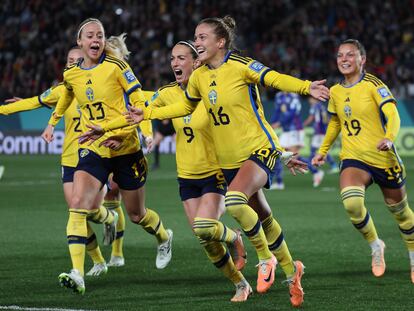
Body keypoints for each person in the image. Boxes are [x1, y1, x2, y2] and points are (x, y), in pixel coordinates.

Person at [85, 16, 330, 307]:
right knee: (261, 215)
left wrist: (305, 88)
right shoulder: (200, 79)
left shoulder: (242, 66)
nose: (198, 42)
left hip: (256, 151)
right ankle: (292, 271)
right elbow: (184, 105)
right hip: (227, 163)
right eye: (196, 38)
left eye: (201, 38)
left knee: (237, 201)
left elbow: (274, 78)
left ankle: (266, 259)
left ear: (220, 42)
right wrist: (139, 118)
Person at [44, 18, 173, 294]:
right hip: (94, 147)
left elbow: (138, 101)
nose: (96, 39)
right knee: (77, 205)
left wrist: (130, 133)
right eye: (90, 35)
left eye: (100, 35)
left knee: (137, 215)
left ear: (103, 41)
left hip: (126, 148)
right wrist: (53, 121)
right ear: (80, 42)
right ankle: (78, 273)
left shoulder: (117, 67)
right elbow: (67, 95)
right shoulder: (72, 75)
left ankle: (164, 237)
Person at [0, 47, 117, 277]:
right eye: (69, 61)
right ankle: (98, 261)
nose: (72, 64)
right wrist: (4, 109)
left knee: (92, 210)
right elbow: (34, 102)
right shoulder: (61, 90)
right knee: (76, 212)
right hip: (70, 159)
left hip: (94, 157)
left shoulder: (97, 88)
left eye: (77, 60)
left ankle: (109, 218)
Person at [147, 40, 250, 302]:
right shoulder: (168, 92)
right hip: (186, 175)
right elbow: (142, 104)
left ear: (196, 62)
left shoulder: (211, 90)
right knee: (203, 237)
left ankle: (235, 238)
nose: (175, 63)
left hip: (215, 172)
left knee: (205, 226)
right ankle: (240, 283)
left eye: (181, 58)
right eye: (172, 58)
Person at [312, 39, 414, 283]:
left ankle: (413, 255)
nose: (344, 59)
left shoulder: (374, 85)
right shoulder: (335, 92)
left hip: (383, 158)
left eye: (350, 55)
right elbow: (336, 122)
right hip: (353, 158)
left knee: (401, 214)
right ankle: (376, 245)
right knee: (352, 205)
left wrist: (389, 138)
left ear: (362, 60)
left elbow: (393, 114)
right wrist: (323, 150)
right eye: (340, 55)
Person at [270, 92, 324, 189]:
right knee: (278, 154)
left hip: (295, 129)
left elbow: (293, 113)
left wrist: (279, 123)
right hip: (286, 130)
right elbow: (277, 111)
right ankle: (279, 183)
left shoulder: (294, 97)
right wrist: (272, 123)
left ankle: (316, 172)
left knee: (294, 155)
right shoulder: (279, 96)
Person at [303, 97, 338, 175]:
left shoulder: (315, 106)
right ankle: (333, 166)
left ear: (313, 99)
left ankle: (310, 167)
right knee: (321, 150)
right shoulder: (322, 106)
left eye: (310, 99)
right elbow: (327, 119)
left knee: (315, 150)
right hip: (323, 130)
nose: (309, 101)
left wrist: (303, 125)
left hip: (319, 131)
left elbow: (311, 118)